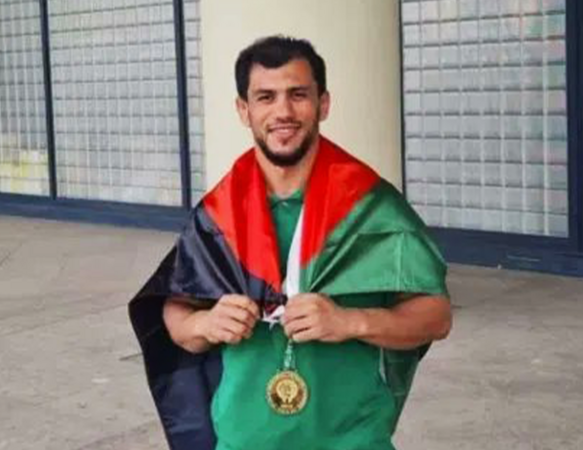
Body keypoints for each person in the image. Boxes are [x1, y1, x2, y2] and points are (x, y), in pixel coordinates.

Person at [129, 35, 452, 450]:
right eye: (266, 97)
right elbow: (176, 310)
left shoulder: (373, 207)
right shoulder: (217, 215)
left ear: (323, 103)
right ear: (244, 110)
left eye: (298, 94)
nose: (283, 111)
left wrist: (351, 322)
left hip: (352, 441)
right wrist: (204, 324)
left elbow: (436, 315)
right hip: (243, 439)